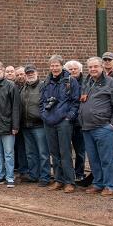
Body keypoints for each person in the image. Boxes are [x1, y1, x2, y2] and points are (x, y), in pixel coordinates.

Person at [80, 57, 113, 196]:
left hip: (103, 128)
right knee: (93, 159)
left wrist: (112, 124)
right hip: (87, 128)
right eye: (90, 67)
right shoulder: (87, 83)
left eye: (95, 67)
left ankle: (110, 186)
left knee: (106, 159)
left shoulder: (111, 83)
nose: (93, 69)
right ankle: (98, 183)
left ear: (102, 67)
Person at [40, 55, 81, 193]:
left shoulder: (70, 81)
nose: (54, 68)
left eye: (56, 65)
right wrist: (43, 114)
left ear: (61, 66)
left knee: (65, 152)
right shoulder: (46, 82)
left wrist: (69, 117)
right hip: (49, 121)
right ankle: (58, 180)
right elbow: (41, 101)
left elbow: (76, 102)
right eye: (52, 65)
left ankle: (69, 182)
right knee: (54, 153)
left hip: (64, 121)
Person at [20, 65, 51, 186]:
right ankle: (34, 175)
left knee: (43, 152)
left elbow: (48, 103)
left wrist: (43, 117)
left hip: (39, 125)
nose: (30, 75)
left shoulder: (43, 86)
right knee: (31, 152)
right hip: (26, 125)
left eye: (32, 72)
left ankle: (45, 176)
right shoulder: (23, 88)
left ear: (37, 73)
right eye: (28, 73)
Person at [64, 60, 87, 181]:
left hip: (80, 122)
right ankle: (68, 174)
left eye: (75, 69)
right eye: (70, 69)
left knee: (80, 150)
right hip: (67, 121)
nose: (73, 71)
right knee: (66, 150)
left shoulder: (86, 83)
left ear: (80, 70)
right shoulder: (64, 82)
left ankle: (79, 173)